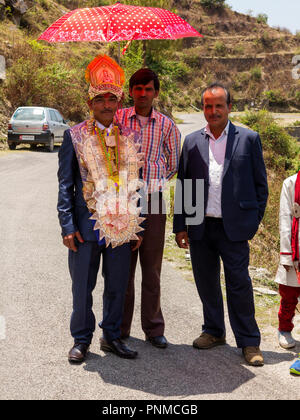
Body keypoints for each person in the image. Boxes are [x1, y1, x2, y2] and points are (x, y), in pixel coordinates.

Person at [173, 83, 269, 366]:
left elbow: (260, 186)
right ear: (202, 108)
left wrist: (252, 223)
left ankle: (249, 342)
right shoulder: (191, 141)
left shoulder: (248, 139)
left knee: (239, 283)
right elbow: (184, 186)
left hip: (235, 227)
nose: (213, 111)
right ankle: (213, 331)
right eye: (207, 106)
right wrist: (181, 225)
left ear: (229, 106)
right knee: (206, 282)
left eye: (218, 105)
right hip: (201, 226)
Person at [57, 55, 145, 363]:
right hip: (85, 226)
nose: (106, 104)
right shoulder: (74, 136)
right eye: (100, 98)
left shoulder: (129, 136)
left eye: (112, 98)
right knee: (82, 287)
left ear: (119, 101)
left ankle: (111, 336)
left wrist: (138, 222)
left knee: (118, 285)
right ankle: (81, 339)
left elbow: (138, 181)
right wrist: (67, 226)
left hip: (122, 225)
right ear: (89, 100)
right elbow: (65, 185)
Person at [116, 68, 181, 348]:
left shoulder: (167, 125)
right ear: (130, 92)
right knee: (123, 267)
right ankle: (119, 328)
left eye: (148, 89)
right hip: (121, 200)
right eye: (137, 88)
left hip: (154, 201)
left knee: (151, 268)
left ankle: (154, 329)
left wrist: (152, 177)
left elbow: (175, 162)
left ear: (156, 92)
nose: (142, 94)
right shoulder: (117, 118)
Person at [275, 171, 300, 349]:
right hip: (295, 247)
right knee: (289, 293)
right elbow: (285, 218)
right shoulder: (290, 183)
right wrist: (286, 252)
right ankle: (284, 329)